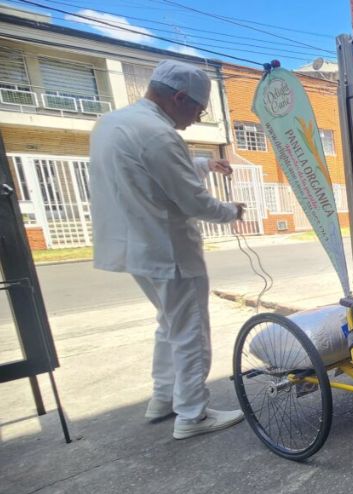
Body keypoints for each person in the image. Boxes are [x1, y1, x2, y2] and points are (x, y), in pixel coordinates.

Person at [89, 60, 245, 440]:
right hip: (168, 250)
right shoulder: (159, 134)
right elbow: (191, 200)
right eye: (197, 109)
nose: (196, 117)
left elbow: (153, 168)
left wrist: (206, 163)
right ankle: (192, 414)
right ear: (178, 97)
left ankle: (163, 398)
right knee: (191, 331)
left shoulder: (113, 124)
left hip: (135, 249)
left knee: (169, 325)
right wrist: (231, 212)